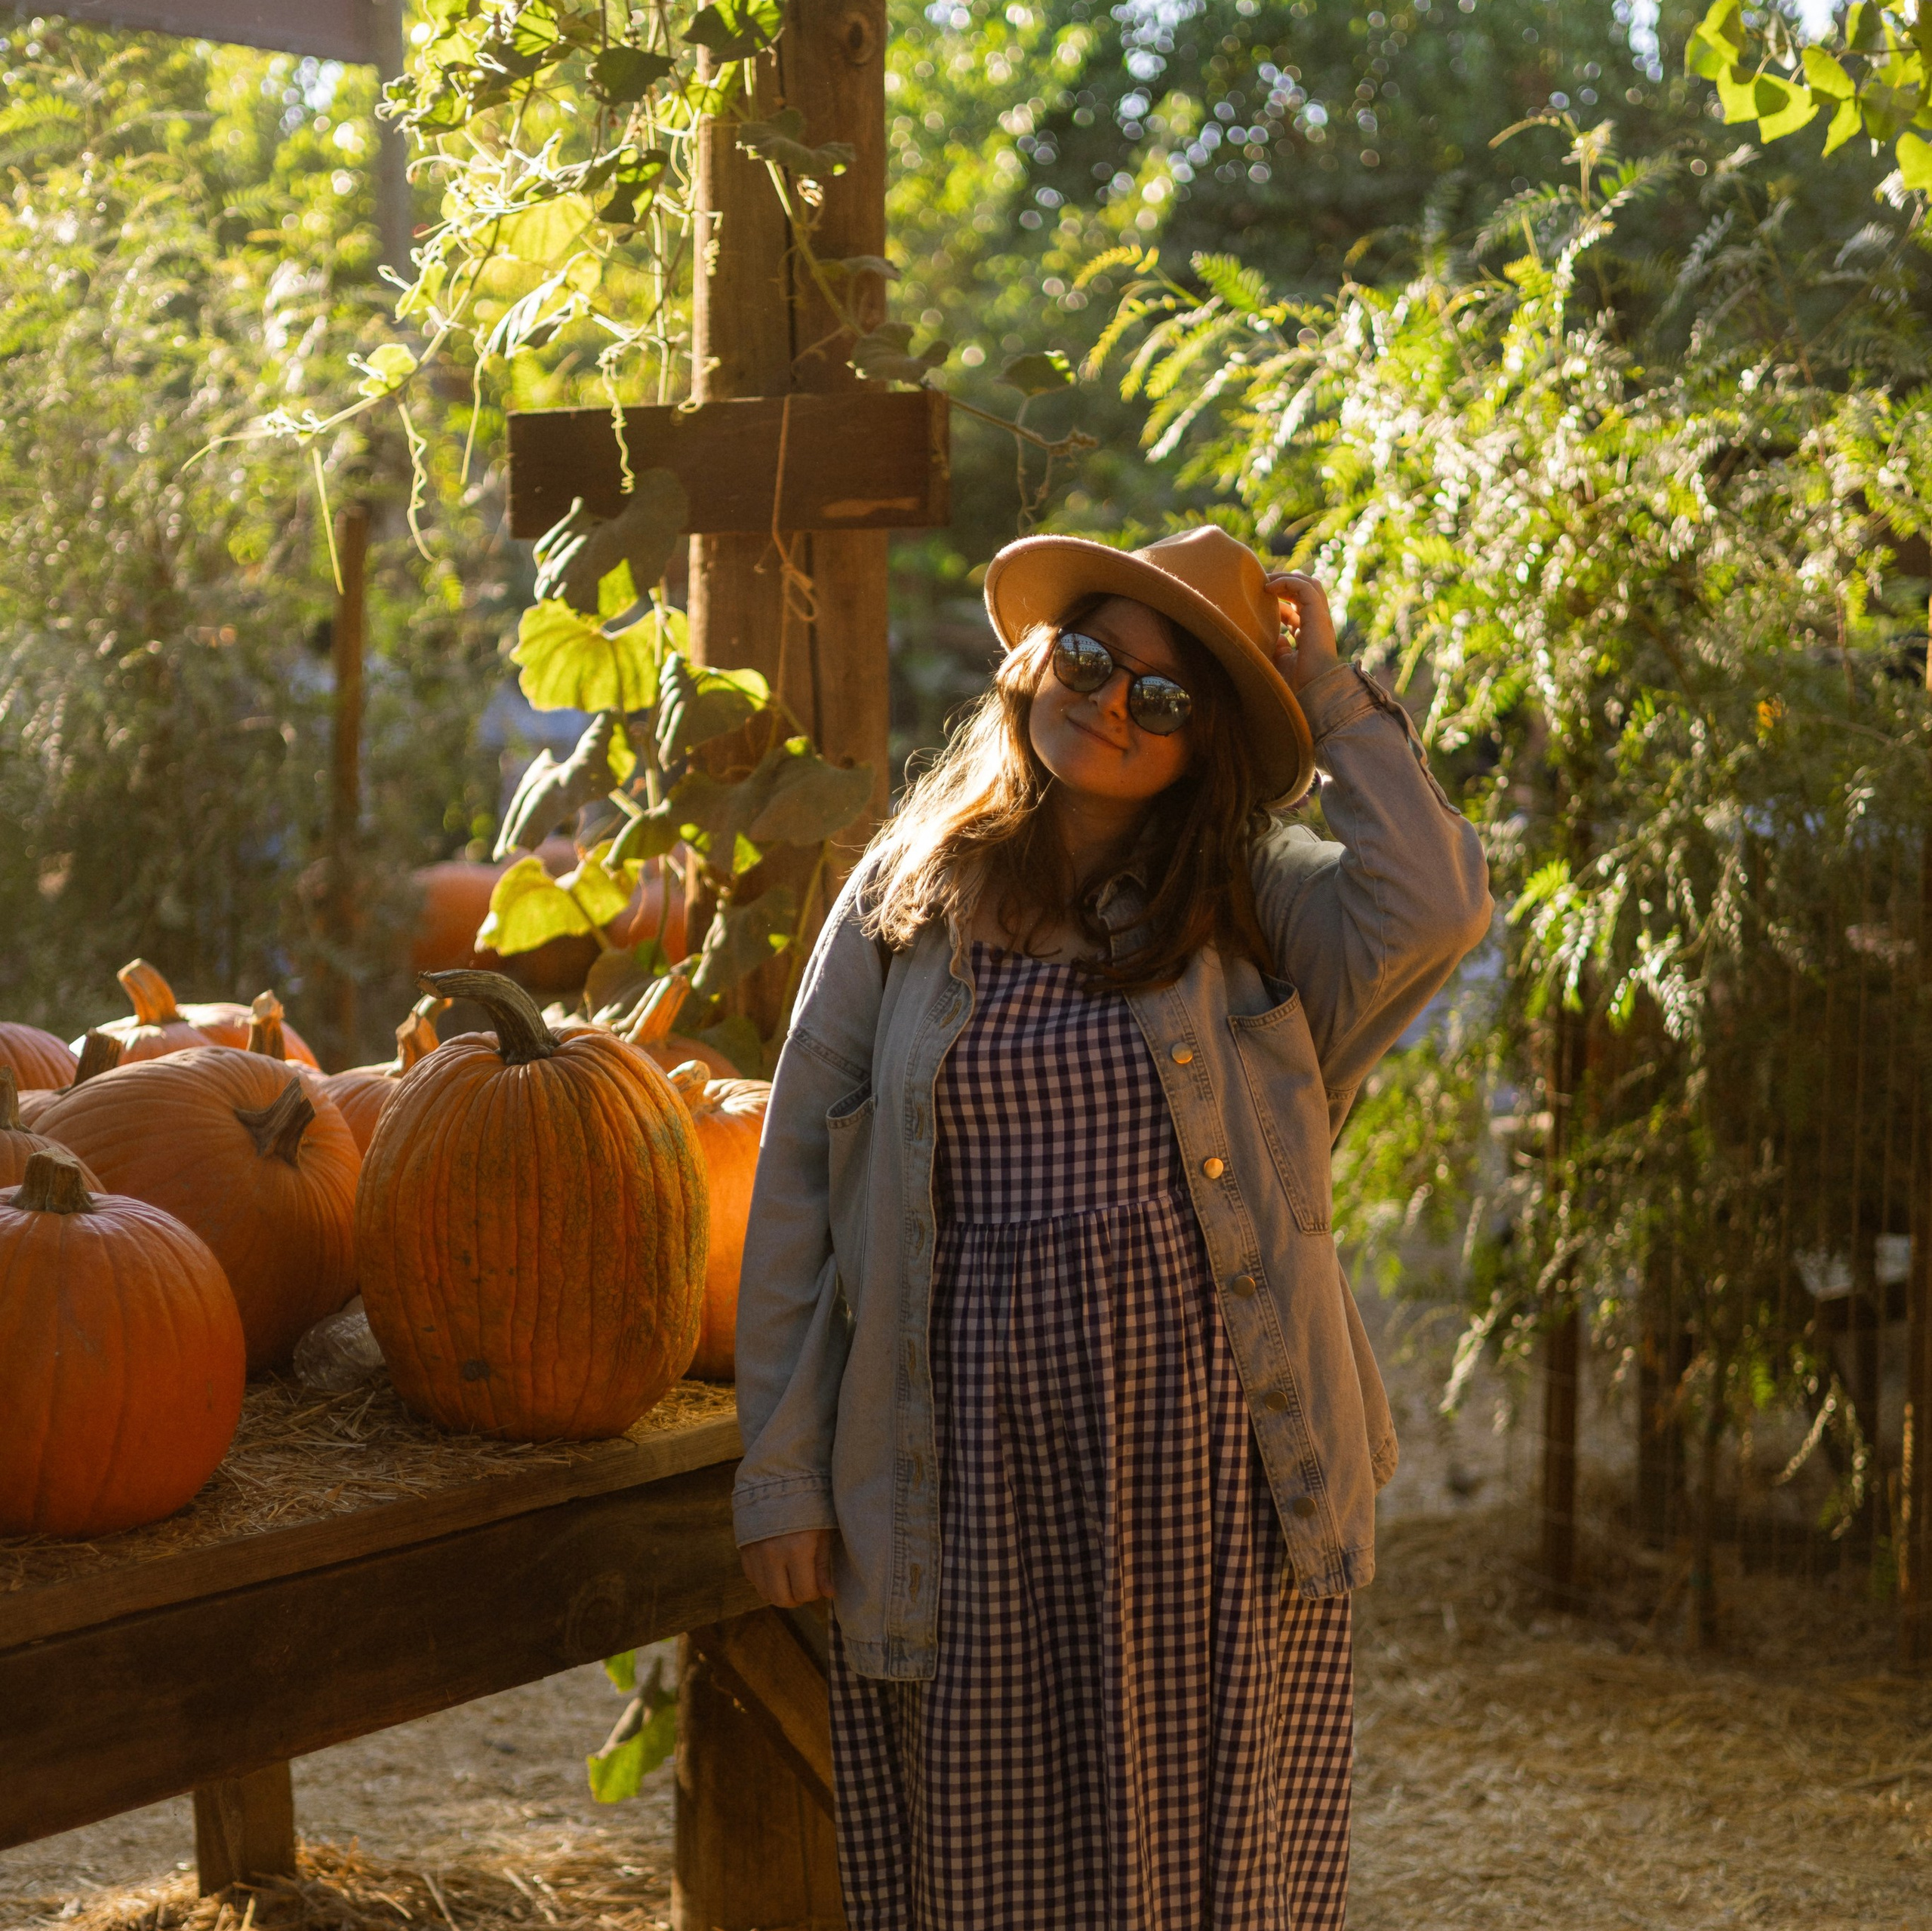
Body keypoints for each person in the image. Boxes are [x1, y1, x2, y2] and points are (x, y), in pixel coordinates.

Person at [730, 525, 1491, 1931]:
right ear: (1033, 660)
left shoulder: (1256, 909)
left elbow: (1438, 904)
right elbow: (795, 1191)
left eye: (1168, 694)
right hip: (967, 1468)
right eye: (1091, 657)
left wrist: (1321, 684)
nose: (1113, 700)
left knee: (1215, 1876)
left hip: (1207, 1479)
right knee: (988, 1869)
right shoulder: (905, 896)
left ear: (1204, 746)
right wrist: (783, 1473)